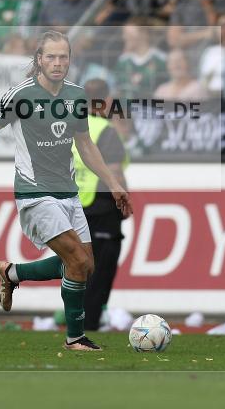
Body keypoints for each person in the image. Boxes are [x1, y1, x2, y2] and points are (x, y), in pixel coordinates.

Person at [0, 30, 132, 352]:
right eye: (50, 56)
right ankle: (75, 337)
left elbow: (85, 143)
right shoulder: (21, 94)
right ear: (39, 60)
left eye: (63, 57)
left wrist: (114, 184)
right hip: (35, 192)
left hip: (68, 192)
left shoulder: (76, 96)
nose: (57, 63)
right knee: (77, 261)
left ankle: (12, 273)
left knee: (85, 266)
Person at [69, 78, 129, 332]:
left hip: (73, 205)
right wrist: (124, 199)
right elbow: (114, 170)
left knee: (78, 267)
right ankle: (91, 324)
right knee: (101, 270)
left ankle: (75, 320)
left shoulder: (70, 127)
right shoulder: (106, 130)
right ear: (106, 102)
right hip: (101, 204)